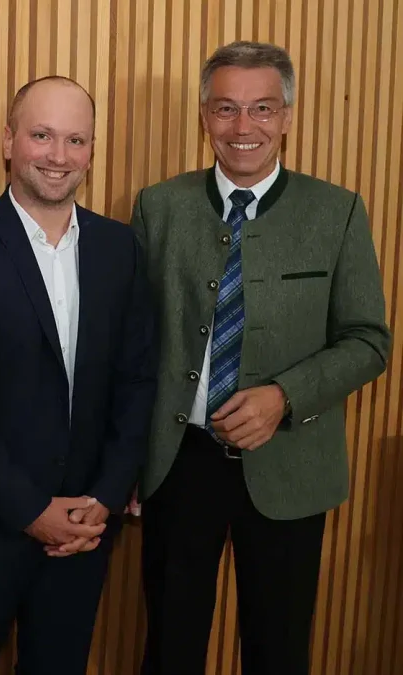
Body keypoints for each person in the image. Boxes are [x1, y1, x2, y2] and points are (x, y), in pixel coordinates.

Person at [131, 41, 391, 675]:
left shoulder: (338, 211)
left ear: (287, 116)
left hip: (290, 465)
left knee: (279, 648)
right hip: (177, 465)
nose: (243, 128)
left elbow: (369, 340)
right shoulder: (157, 206)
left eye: (262, 109)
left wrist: (284, 396)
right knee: (170, 646)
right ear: (204, 115)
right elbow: (132, 345)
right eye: (226, 108)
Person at [0, 76, 157, 674]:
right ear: (9, 140)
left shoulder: (119, 249)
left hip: (82, 531)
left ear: (92, 152)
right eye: (42, 135)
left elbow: (136, 381)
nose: (58, 155)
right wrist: (29, 510)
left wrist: (103, 496)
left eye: (76, 140)